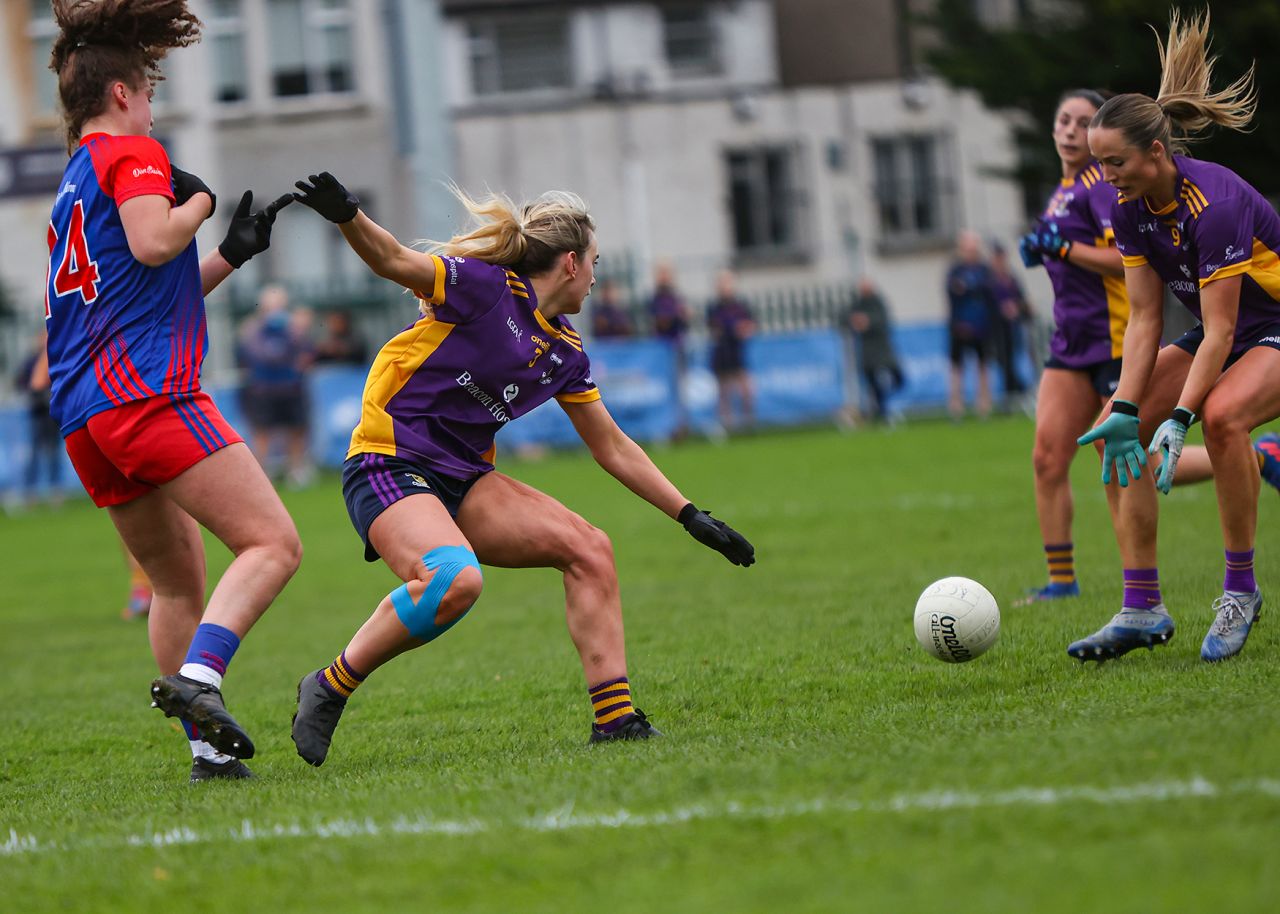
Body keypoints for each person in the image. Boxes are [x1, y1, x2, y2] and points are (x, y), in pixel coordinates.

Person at [286, 173, 755, 766]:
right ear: (568, 263)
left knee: (590, 549)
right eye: (594, 262)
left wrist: (691, 516)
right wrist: (347, 214)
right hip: (390, 460)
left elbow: (611, 446)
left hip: (462, 477)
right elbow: (394, 260)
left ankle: (616, 721)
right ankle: (329, 685)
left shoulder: (566, 350)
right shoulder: (485, 287)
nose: (595, 274)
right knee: (455, 579)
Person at [46, 0, 300, 782]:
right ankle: (201, 680)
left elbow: (143, 282)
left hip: (87, 414)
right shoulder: (135, 151)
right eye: (149, 89)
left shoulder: (72, 180)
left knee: (176, 582)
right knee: (274, 544)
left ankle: (206, 755)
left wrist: (225, 254)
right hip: (145, 394)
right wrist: (200, 201)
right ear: (121, 94)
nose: (153, 105)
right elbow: (158, 239)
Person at [1070, 9, 1278, 663]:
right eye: (1101, 165)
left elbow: (1218, 332)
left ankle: (1240, 590)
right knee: (1115, 434)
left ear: (1157, 152)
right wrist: (1130, 410)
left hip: (1267, 330)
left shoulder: (1212, 208)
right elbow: (1146, 320)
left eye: (1118, 162)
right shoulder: (1129, 208)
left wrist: (1179, 418)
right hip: (1231, 335)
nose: (1109, 177)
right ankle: (1141, 608)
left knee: (1221, 418)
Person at [236, 284, 315, 486]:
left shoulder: (293, 328)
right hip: (264, 390)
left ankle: (296, 470)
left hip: (291, 388)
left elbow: (306, 354)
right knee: (262, 431)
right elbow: (254, 356)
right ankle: (261, 473)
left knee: (296, 429)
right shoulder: (253, 330)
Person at [945, 231, 996, 419]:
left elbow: (989, 293)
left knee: (983, 365)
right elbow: (953, 293)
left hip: (982, 326)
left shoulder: (984, 270)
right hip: (959, 326)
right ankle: (956, 406)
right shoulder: (955, 270)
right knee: (957, 366)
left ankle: (983, 404)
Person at [844, 277, 903, 423]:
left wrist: (867, 322)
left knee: (898, 378)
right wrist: (854, 322)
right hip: (867, 351)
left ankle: (884, 406)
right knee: (873, 383)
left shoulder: (878, 303)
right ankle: (881, 412)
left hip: (883, 349)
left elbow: (883, 320)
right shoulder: (857, 305)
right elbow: (845, 320)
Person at [16, 331, 64, 507]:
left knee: (53, 454)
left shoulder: (56, 357)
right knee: (35, 455)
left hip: (53, 415)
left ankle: (55, 492)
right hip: (38, 414)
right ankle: (30, 493)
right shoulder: (32, 361)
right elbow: (22, 382)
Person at [706, 270, 756, 433]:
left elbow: (749, 327)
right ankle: (726, 425)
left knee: (745, 388)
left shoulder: (740, 306)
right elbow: (715, 329)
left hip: (737, 352)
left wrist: (740, 329)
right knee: (724, 390)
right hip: (723, 352)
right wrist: (733, 329)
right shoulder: (714, 308)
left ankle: (749, 422)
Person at [648, 262, 692, 438]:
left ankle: (681, 426)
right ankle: (668, 426)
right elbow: (661, 321)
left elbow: (683, 321)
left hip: (677, 347)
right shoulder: (656, 299)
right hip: (663, 350)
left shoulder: (675, 296)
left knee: (679, 389)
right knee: (666, 389)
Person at [987, 242, 1032, 407]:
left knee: (1013, 359)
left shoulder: (1011, 279)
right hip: (996, 328)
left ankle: (1017, 392)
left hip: (1013, 327)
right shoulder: (989, 280)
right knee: (1002, 360)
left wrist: (1017, 308)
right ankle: (1013, 393)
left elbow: (1021, 300)